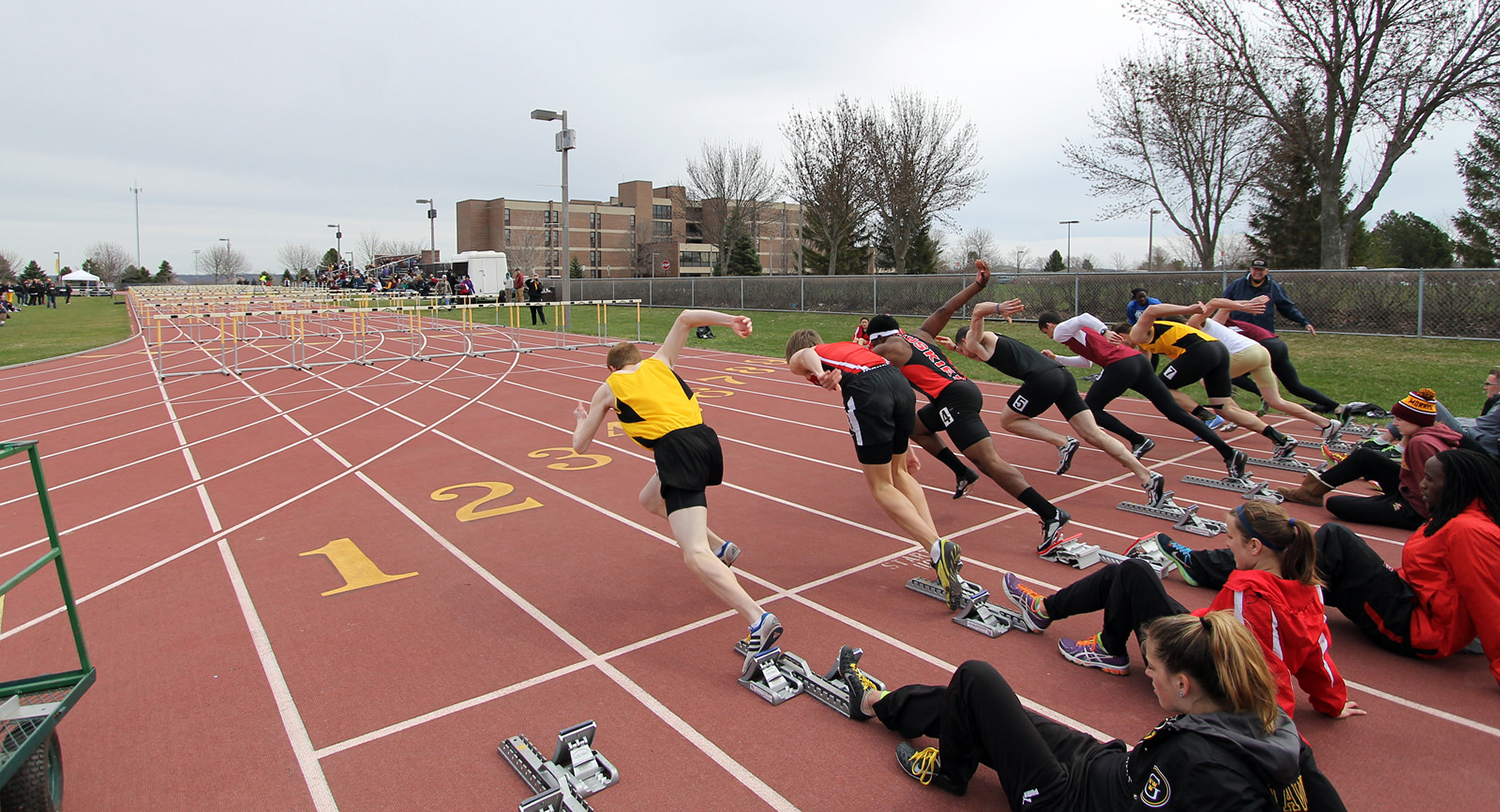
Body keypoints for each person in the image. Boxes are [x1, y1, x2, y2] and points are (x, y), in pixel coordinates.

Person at [841, 612, 1346, 810]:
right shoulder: (1271, 722)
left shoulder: (1203, 763)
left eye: (1154, 670)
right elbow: (1317, 796)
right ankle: (886, 704)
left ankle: (950, 770)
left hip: (1064, 802)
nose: (1147, 675)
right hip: (1103, 766)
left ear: (1185, 684)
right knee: (981, 704)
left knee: (976, 676)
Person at [1165, 449, 1500, 689]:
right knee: (1319, 556)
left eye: (1430, 479)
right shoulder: (1455, 517)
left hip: (1412, 626)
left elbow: (1489, 599)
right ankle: (1242, 593)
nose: (1421, 485)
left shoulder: (1470, 530)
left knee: (1332, 541)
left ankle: (1210, 572)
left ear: (1456, 486)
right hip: (1406, 597)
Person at [1004, 501, 1361, 722]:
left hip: (1197, 673)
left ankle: (1101, 644)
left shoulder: (1249, 595)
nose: (1226, 545)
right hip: (1204, 637)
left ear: (1254, 546)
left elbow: (1267, 665)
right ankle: (1059, 619)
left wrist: (1272, 724)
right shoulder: (1307, 589)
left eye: (1230, 540)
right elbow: (1317, 652)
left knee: (1132, 572)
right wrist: (1332, 701)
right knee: (1125, 574)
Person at [572, 309, 783, 662]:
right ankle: (722, 549)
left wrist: (581, 421)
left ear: (611, 368)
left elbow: (579, 446)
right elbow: (685, 317)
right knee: (650, 498)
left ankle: (758, 619)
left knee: (693, 554)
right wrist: (731, 321)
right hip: (706, 441)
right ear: (639, 359)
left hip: (676, 450)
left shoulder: (609, 387)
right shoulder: (660, 361)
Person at [864, 264, 1070, 551]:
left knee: (990, 463)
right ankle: (962, 472)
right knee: (914, 428)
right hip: (959, 392)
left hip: (953, 399)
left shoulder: (888, 347)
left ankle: (1050, 513)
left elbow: (862, 363)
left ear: (877, 339)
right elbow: (946, 310)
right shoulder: (919, 335)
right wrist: (978, 286)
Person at [784, 328, 967, 609]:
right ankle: (937, 549)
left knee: (881, 486)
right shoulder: (849, 348)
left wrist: (819, 372)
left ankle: (936, 548)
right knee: (900, 473)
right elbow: (884, 385)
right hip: (899, 385)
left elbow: (806, 354)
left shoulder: (810, 354)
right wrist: (907, 447)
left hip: (869, 390)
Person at [951, 299, 1165, 507]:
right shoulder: (994, 341)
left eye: (961, 350)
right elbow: (977, 353)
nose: (965, 354)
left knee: (1008, 420)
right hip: (1062, 376)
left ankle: (1063, 442)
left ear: (964, 341)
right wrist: (953, 348)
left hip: (1042, 380)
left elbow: (978, 310)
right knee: (1094, 434)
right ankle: (1147, 476)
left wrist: (997, 308)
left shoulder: (973, 340)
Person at [1036, 310, 1249, 480]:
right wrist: (1057, 357)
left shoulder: (1062, 330)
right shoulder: (1078, 333)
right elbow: (1087, 362)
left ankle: (1138, 440)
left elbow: (1084, 317)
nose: (1050, 337)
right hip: (1137, 361)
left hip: (1120, 365)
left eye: (1046, 333)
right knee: (1173, 411)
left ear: (1049, 326)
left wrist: (1104, 331)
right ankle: (1229, 453)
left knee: (1091, 408)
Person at [1123, 301, 1298, 460]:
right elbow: (1145, 367)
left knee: (1161, 388)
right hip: (1219, 351)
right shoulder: (1143, 343)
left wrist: (1189, 309)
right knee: (1224, 408)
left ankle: (1205, 416)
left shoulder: (1137, 333)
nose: (1118, 347)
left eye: (1117, 342)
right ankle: (1280, 439)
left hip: (1201, 350)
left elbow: (1152, 309)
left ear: (1122, 335)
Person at [1279, 388, 1464, 529]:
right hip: (1411, 493)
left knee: (1336, 504)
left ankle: (1312, 494)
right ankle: (1310, 492)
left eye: (1400, 419)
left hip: (1416, 509)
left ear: (1416, 421)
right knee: (1365, 457)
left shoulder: (1421, 444)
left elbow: (1436, 487)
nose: (1395, 424)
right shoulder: (1431, 433)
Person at [1191, 300, 1342, 444]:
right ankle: (1327, 424)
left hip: (1246, 354)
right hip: (1261, 352)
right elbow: (1224, 307)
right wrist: (1248, 303)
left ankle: (1233, 416)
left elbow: (1215, 302)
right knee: (1275, 401)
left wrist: (1245, 306)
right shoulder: (1213, 324)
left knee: (1206, 380)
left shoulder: (1193, 323)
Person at [1225, 316, 1341, 414]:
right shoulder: (1228, 324)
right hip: (1277, 344)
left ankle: (1263, 395)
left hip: (1264, 346)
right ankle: (1338, 407)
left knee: (1230, 375)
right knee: (1295, 387)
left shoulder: (1218, 326)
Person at [1223, 259, 1316, 334]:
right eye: (1255, 269)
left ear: (1267, 271)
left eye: (1261, 270)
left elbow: (1286, 308)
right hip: (1239, 329)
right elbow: (1224, 304)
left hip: (1263, 330)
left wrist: (1304, 322)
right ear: (1250, 269)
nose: (1257, 272)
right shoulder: (1237, 285)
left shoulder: (1273, 287)